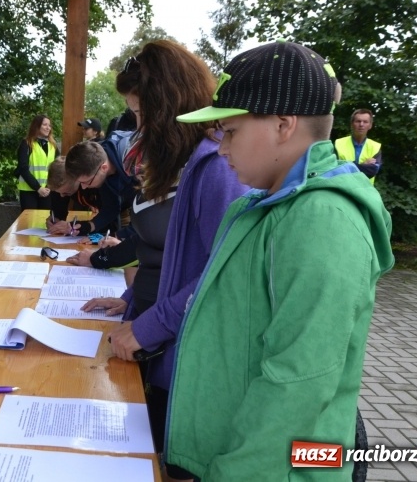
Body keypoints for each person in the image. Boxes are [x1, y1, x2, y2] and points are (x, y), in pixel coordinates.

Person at [163, 41, 394, 481]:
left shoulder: (323, 220)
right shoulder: (260, 205)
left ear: (283, 125)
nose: (222, 148)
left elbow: (298, 382)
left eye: (230, 132)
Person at [77, 41, 247, 466]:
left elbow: (219, 273)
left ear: (169, 106)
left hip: (177, 349)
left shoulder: (215, 167)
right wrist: (132, 299)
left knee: (167, 462)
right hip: (149, 331)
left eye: (139, 112)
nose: (136, 125)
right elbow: (164, 251)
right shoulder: (173, 162)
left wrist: (151, 323)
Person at [16, 115, 59, 210]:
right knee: (29, 222)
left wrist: (48, 188)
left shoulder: (53, 145)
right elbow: (23, 168)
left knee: (44, 222)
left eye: (49, 125)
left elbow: (57, 168)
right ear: (37, 126)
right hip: (29, 190)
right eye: (45, 125)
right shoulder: (27, 144)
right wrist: (38, 188)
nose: (48, 128)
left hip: (47, 190)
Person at [334, 109, 382, 183]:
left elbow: (372, 171)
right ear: (352, 124)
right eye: (358, 121)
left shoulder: (375, 147)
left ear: (370, 125)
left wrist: (347, 166)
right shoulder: (338, 143)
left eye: (365, 122)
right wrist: (363, 165)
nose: (361, 124)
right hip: (343, 189)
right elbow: (335, 169)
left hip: (364, 191)